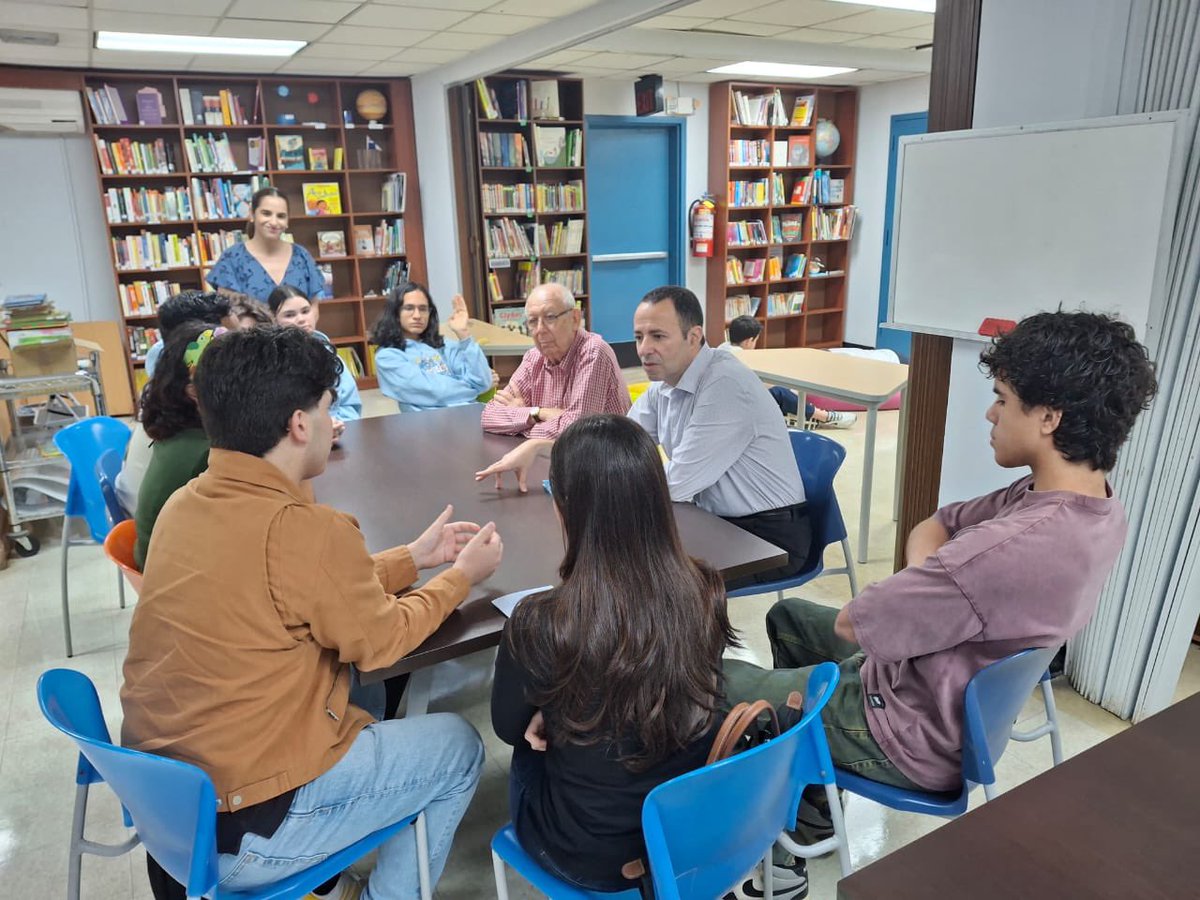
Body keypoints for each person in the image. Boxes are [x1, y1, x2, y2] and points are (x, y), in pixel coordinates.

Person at [721, 310, 1157, 892]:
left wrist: (937, 589)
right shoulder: (1092, 503)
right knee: (788, 617)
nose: (990, 413)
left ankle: (783, 842)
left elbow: (856, 622)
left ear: (1048, 417)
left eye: (1002, 399)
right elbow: (941, 523)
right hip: (947, 698)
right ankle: (811, 804)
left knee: (718, 679)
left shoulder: (1003, 549)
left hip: (907, 728)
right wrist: (937, 591)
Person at [121, 326, 504, 900]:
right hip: (250, 822)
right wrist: (460, 579)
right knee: (457, 745)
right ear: (300, 424)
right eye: (328, 408)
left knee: (360, 695)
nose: (332, 421)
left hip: (172, 811)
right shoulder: (304, 529)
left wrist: (413, 558)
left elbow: (299, 589)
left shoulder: (188, 502)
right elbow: (381, 640)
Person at [491, 414, 735, 892]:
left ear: (564, 508)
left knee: (527, 754)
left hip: (588, 856)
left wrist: (553, 708)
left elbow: (508, 729)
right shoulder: (704, 587)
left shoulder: (541, 621)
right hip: (683, 833)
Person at [480, 283, 629, 438]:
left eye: (550, 317)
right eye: (532, 321)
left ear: (575, 319)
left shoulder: (594, 352)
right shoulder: (534, 357)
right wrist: (536, 413)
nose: (540, 330)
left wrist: (521, 418)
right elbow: (488, 416)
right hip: (554, 456)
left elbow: (578, 433)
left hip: (608, 458)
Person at [132, 321, 220, 570]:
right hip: (173, 575)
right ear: (193, 391)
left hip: (159, 559)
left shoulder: (182, 434)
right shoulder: (206, 451)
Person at [371, 282, 492, 412]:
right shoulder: (388, 357)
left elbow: (483, 381)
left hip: (471, 417)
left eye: (423, 309)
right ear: (395, 313)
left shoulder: (444, 345)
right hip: (428, 426)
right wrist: (473, 390)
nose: (417, 316)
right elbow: (435, 393)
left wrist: (464, 334)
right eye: (409, 308)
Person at [723, 316, 856, 430]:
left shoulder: (723, 348)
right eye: (756, 341)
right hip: (739, 403)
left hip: (730, 400)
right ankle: (826, 417)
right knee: (781, 392)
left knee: (782, 392)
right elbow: (757, 385)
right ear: (748, 341)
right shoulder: (742, 358)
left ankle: (810, 413)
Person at [268, 284, 361, 435]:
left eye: (305, 311)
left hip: (337, 432)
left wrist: (336, 423)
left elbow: (350, 404)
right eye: (289, 315)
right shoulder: (269, 359)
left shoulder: (330, 354)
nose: (301, 319)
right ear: (274, 319)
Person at [206, 186, 325, 302]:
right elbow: (228, 312)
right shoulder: (232, 258)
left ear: (287, 221)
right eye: (266, 213)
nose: (274, 222)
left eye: (281, 216)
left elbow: (313, 307)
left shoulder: (301, 256)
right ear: (252, 215)